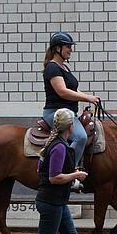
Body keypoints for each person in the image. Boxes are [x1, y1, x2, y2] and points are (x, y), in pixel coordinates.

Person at [3, 108, 107, 234]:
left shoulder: (55, 144)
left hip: (55, 201)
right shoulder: (59, 147)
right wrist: (76, 175)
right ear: (70, 128)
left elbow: (45, 172)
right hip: (52, 202)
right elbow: (54, 177)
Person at [41, 32, 100, 190]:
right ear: (58, 48)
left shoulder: (64, 67)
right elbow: (62, 92)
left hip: (69, 112)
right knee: (80, 137)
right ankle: (68, 173)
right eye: (68, 47)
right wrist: (87, 98)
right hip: (56, 112)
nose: (70, 50)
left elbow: (73, 89)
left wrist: (88, 97)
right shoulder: (52, 67)